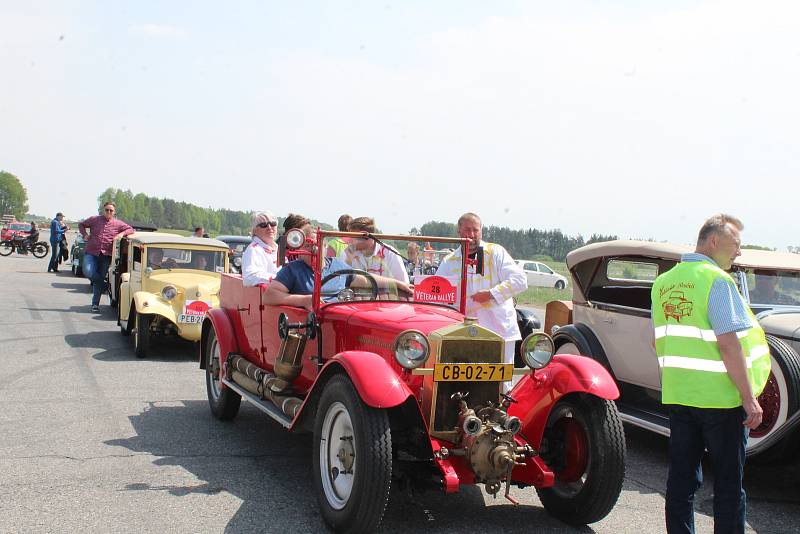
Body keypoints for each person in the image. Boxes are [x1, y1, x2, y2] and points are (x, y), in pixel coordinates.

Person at [651, 214, 770, 534]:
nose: (739, 253)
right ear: (714, 241)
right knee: (730, 486)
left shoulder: (664, 282)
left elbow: (661, 340)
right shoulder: (716, 281)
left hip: (680, 396)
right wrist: (749, 399)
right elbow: (729, 345)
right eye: (736, 245)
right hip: (722, 401)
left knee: (681, 482)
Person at [435, 213, 527, 373]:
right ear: (459, 232)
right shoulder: (449, 261)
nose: (471, 235)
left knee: (502, 384)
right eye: (467, 230)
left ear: (481, 231)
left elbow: (520, 280)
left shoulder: (496, 253)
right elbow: (436, 294)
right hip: (462, 334)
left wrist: (491, 294)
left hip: (499, 332)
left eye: (475, 230)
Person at [265, 222, 413, 310]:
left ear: (324, 245)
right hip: (310, 327)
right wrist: (304, 301)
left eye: (318, 245)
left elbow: (365, 279)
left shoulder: (337, 266)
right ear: (301, 248)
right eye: (309, 246)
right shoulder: (293, 269)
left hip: (341, 318)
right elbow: (269, 296)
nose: (314, 250)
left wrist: (399, 284)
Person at [78, 202, 134, 312]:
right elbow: (81, 225)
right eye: (107, 210)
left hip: (106, 255)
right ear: (103, 210)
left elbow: (130, 229)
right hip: (92, 252)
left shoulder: (118, 223)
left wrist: (121, 234)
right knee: (88, 271)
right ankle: (104, 285)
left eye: (111, 210)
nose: (108, 212)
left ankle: (95, 304)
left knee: (99, 277)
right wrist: (85, 234)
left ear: (114, 212)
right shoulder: (94, 219)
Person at [340, 217, 409, 284]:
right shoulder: (347, 253)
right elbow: (340, 282)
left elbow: (404, 284)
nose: (349, 241)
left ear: (366, 237)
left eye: (353, 237)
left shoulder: (390, 254)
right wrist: (348, 261)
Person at [242, 211, 280, 286]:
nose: (269, 227)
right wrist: (280, 280)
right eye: (263, 225)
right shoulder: (253, 250)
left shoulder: (280, 249)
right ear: (254, 230)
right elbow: (249, 278)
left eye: (273, 224)